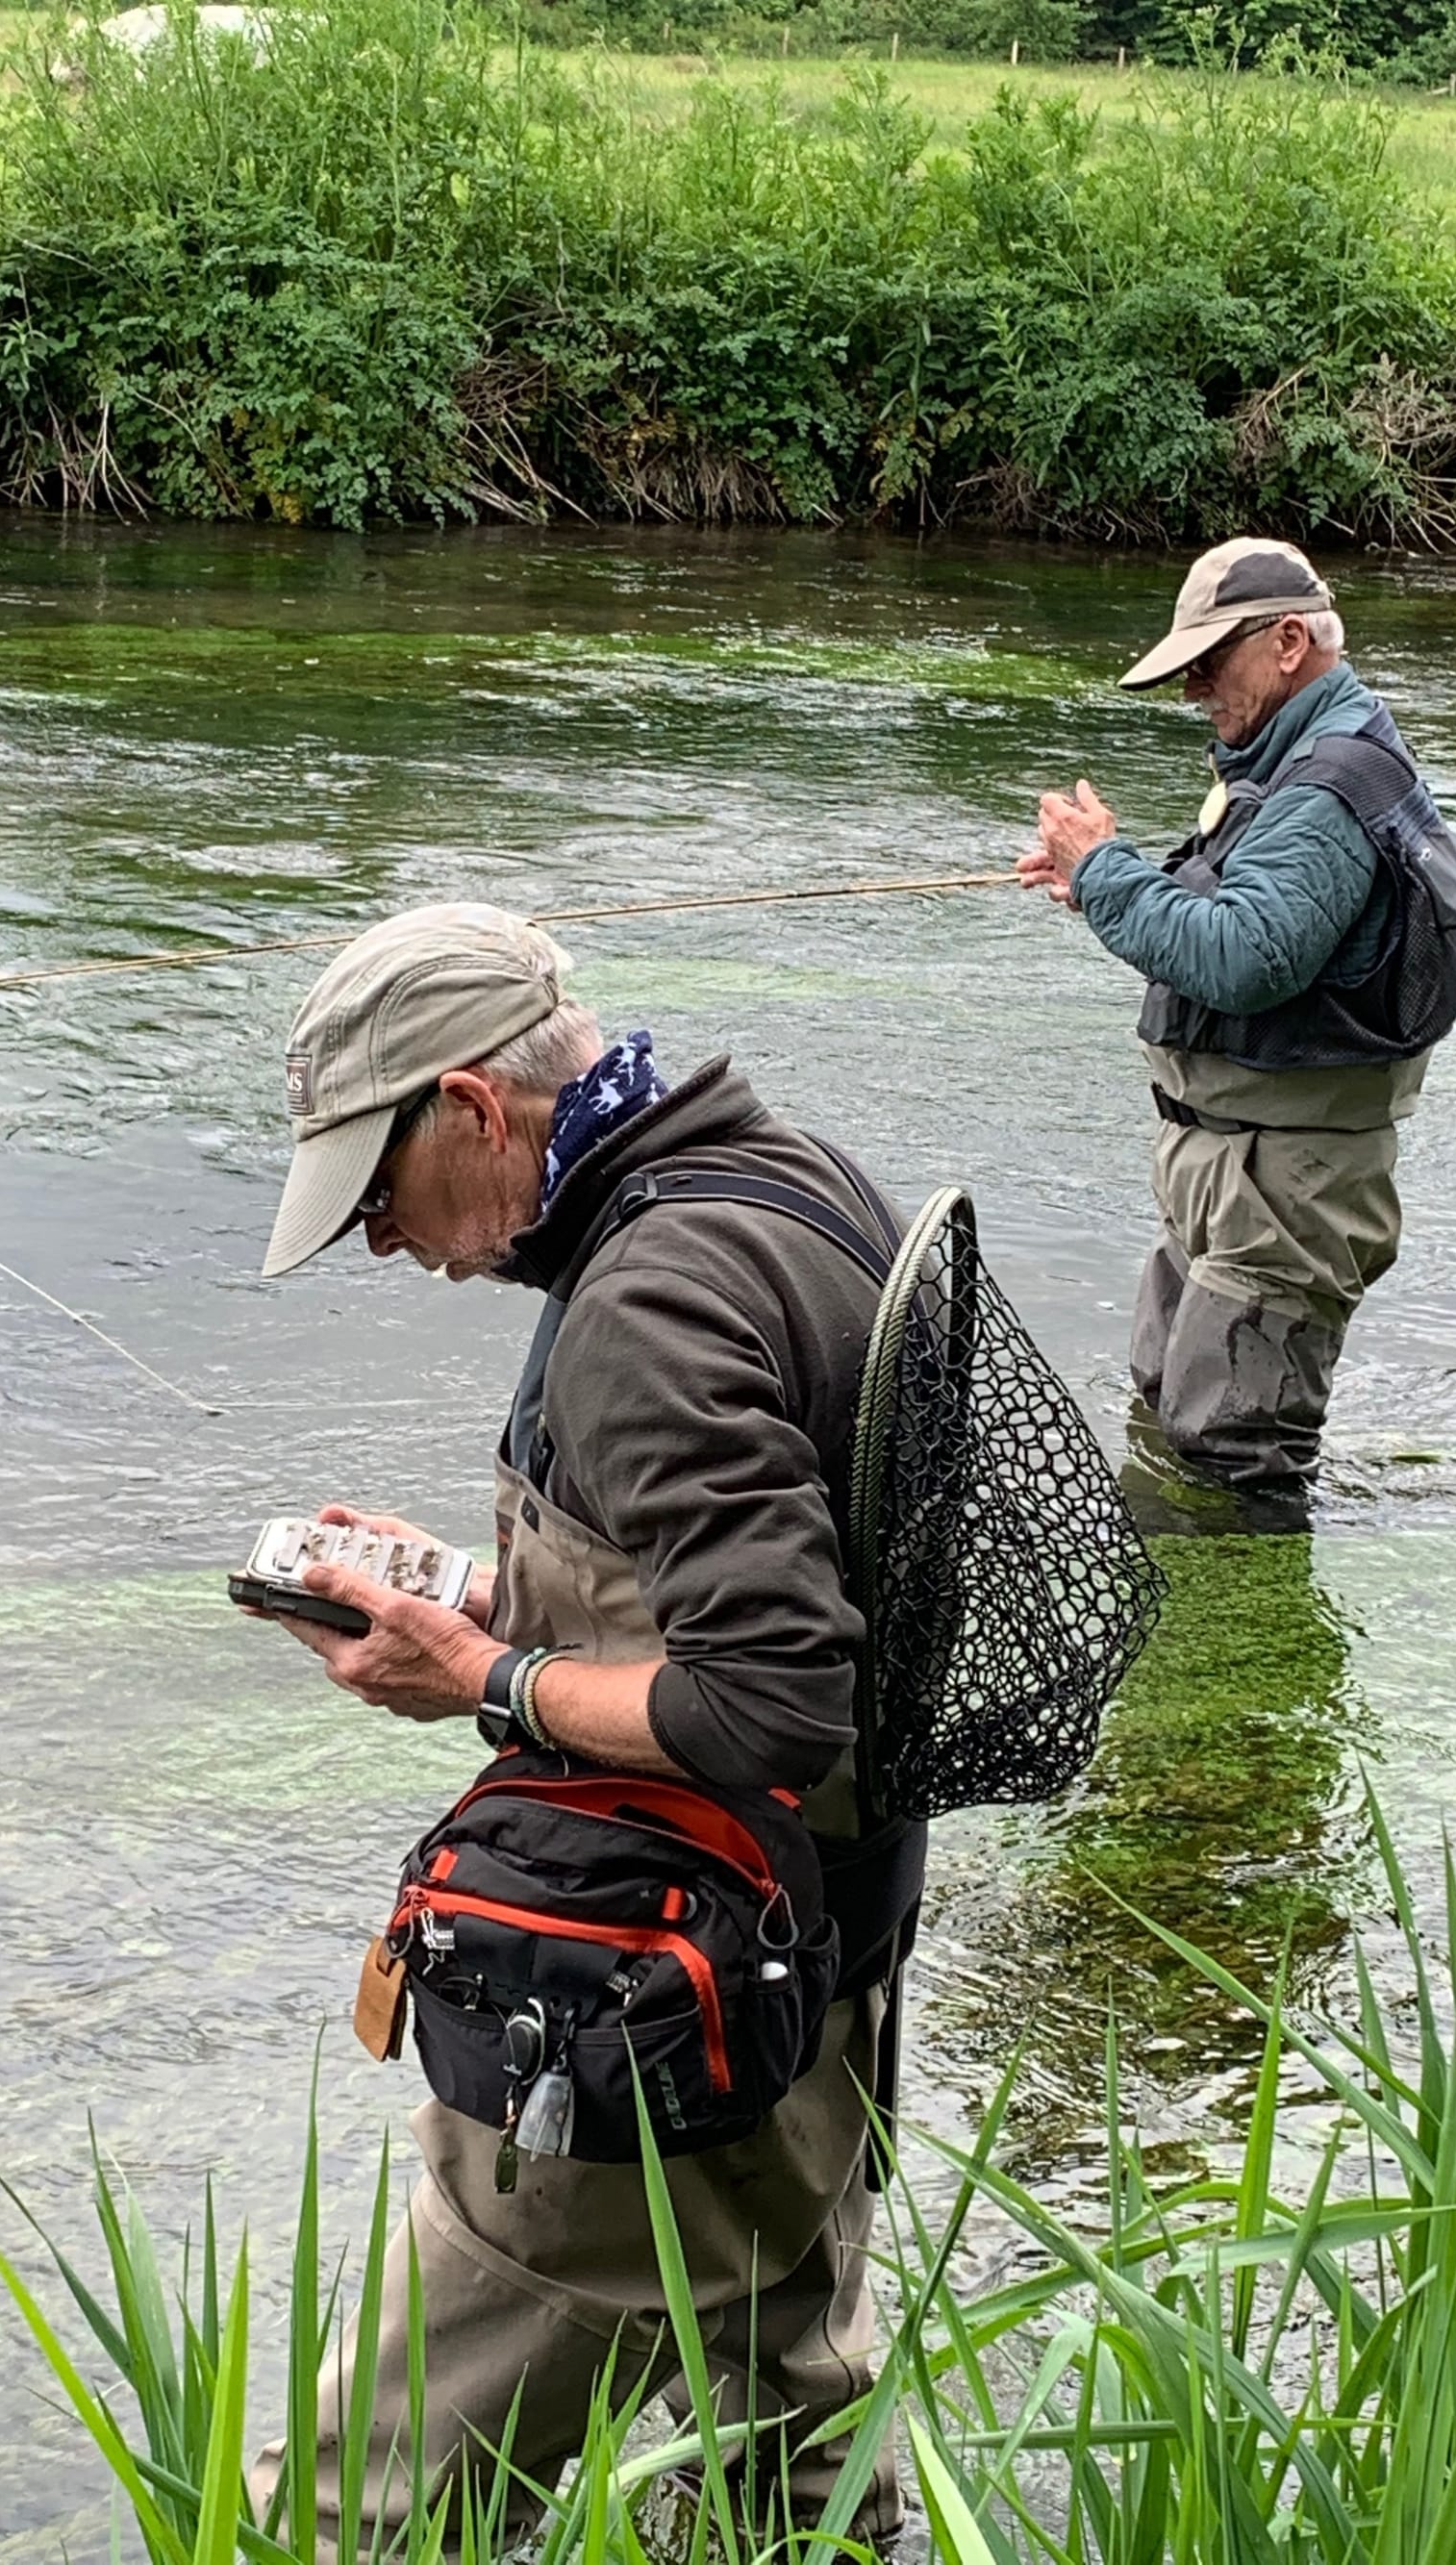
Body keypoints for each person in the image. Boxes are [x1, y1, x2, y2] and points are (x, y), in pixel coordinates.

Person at [245, 902, 922, 2551]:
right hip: (822, 1963)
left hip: (657, 2000)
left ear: (473, 1108)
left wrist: (471, 1676)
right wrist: (471, 1594)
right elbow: (749, 1580)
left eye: (378, 1197)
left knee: (348, 2511)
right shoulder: (785, 1177)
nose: (383, 1245)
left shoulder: (645, 1301)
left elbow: (766, 1692)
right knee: (792, 2453)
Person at [1018, 538, 1456, 1496]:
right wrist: (1106, 887)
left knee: (1229, 1475)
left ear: (1283, 642)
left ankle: (1246, 1649)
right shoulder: (1291, 760)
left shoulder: (1324, 789)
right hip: (1234, 1178)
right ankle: (1199, 1639)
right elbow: (1238, 917)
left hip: (1282, 1189)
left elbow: (1246, 956)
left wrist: (1105, 870)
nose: (1191, 688)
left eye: (1206, 662)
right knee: (1164, 1435)